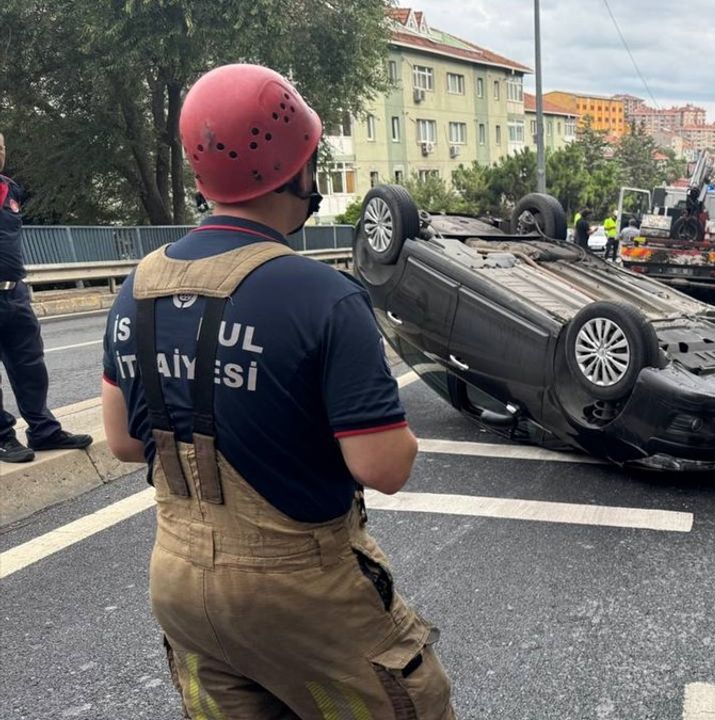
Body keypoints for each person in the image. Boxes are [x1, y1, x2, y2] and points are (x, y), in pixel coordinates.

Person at [100, 64, 455, 719]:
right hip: (303, 600)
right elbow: (383, 466)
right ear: (298, 167)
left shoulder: (137, 288)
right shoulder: (322, 296)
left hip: (181, 587)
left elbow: (123, 442)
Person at [0, 132, 93, 463]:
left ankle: (43, 430)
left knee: (31, 366)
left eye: (1, 147)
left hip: (14, 294)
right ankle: (2, 436)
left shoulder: (10, 189)